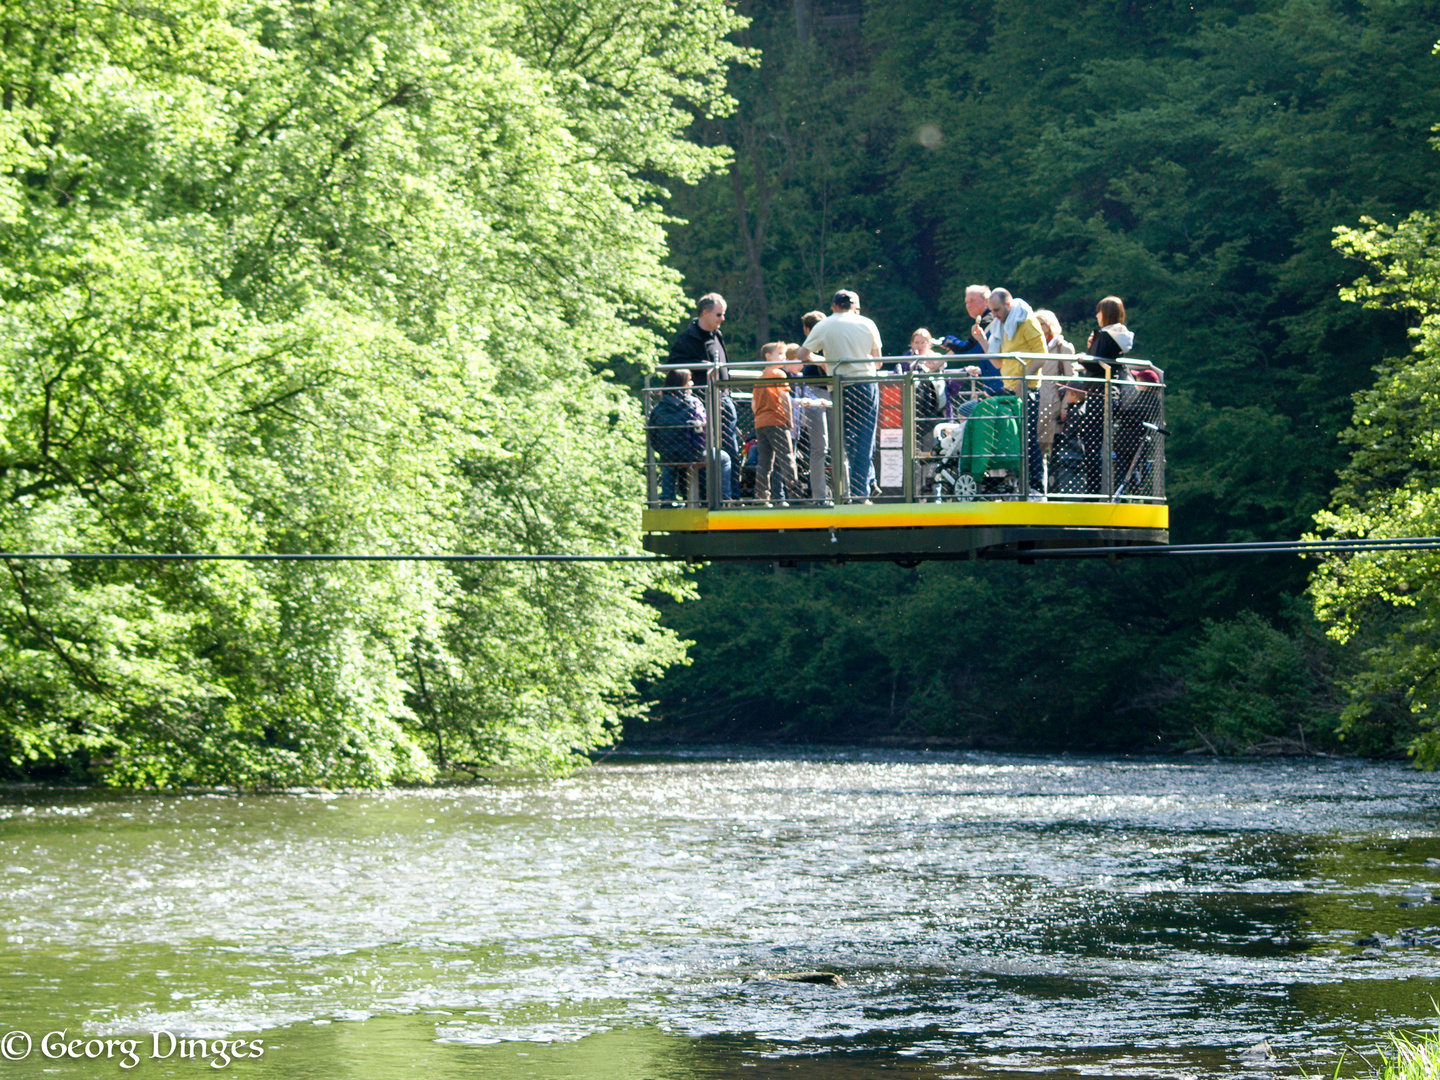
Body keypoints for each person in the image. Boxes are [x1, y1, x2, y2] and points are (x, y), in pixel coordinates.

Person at [793, 290, 883, 502]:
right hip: (866, 384)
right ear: (853, 306)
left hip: (840, 386)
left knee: (844, 440)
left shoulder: (823, 325)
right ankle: (862, 493)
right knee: (865, 439)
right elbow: (878, 362)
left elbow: (802, 355)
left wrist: (825, 361)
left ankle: (847, 493)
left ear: (833, 305)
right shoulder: (867, 323)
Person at [667, 292, 741, 497]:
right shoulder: (687, 338)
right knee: (705, 451)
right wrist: (702, 367)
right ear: (705, 313)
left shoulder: (718, 335)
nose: (722, 319)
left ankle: (731, 495)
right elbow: (672, 366)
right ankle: (706, 496)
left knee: (730, 448)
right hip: (700, 405)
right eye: (719, 314)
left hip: (724, 399)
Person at [647, 368, 732, 504]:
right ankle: (724, 497)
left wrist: (662, 449)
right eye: (689, 381)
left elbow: (652, 434)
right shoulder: (693, 403)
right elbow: (704, 426)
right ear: (683, 384)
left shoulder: (658, 408)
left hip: (669, 454)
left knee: (668, 462)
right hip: (694, 453)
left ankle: (667, 498)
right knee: (725, 458)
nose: (692, 383)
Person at [751, 343, 803, 505]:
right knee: (787, 458)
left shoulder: (760, 378)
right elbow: (785, 397)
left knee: (764, 462)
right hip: (776, 421)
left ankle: (761, 497)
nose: (783, 357)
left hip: (761, 422)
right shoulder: (778, 374)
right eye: (780, 354)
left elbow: (753, 404)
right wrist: (789, 420)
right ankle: (795, 495)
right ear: (768, 356)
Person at [1031, 309, 1076, 493]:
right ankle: (1037, 488)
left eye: (1040, 323)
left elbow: (1072, 380)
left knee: (1050, 449)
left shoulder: (1063, 347)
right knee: (1034, 448)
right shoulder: (1033, 347)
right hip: (1035, 402)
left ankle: (1049, 489)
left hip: (1053, 406)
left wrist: (1065, 408)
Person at [796, 309, 831, 501]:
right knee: (820, 448)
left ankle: (841, 494)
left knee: (834, 447)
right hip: (814, 396)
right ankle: (820, 496)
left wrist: (818, 359)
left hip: (830, 393)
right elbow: (801, 358)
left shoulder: (830, 346)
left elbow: (828, 364)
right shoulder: (810, 353)